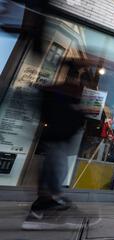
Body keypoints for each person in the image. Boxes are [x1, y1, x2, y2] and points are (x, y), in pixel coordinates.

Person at [22, 59, 89, 230]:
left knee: (53, 169)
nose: (80, 82)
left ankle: (39, 211)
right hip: (58, 137)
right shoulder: (61, 92)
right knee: (56, 168)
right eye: (77, 77)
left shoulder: (64, 92)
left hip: (59, 138)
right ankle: (53, 205)